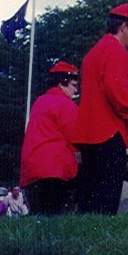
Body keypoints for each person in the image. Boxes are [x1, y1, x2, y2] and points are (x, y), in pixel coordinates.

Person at [73, 4, 128, 214]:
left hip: (88, 135)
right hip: (108, 134)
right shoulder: (117, 50)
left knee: (89, 199)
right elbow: (115, 89)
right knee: (107, 200)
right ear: (124, 26)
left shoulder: (93, 53)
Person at [20, 61, 81, 215]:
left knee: (40, 217)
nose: (75, 90)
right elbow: (75, 138)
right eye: (74, 85)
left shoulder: (39, 102)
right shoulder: (66, 104)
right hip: (55, 170)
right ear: (62, 83)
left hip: (32, 170)